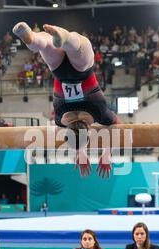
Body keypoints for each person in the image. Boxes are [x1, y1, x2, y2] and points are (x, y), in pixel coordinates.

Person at [12, 22, 121, 179]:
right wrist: (80, 151)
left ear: (89, 133)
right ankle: (33, 39)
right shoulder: (60, 119)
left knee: (76, 44)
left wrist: (106, 154)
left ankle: (66, 38)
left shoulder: (99, 112)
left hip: (83, 70)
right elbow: (76, 130)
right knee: (45, 44)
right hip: (59, 71)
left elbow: (117, 124)